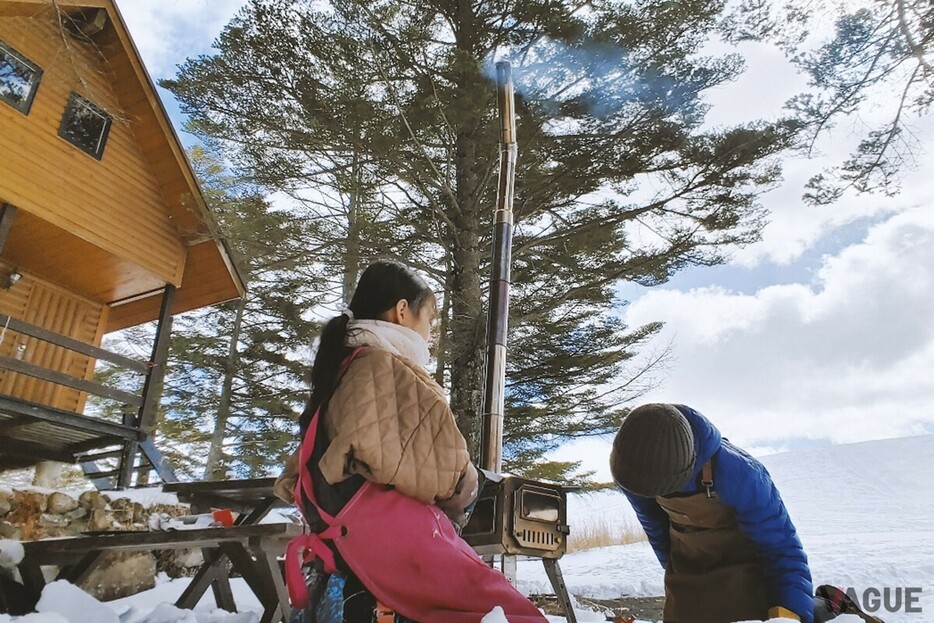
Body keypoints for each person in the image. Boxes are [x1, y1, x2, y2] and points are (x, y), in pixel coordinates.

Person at [276, 260, 547, 623]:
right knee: (510, 614)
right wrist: (469, 483)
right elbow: (445, 474)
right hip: (393, 552)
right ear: (402, 311)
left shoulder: (341, 369)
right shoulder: (383, 369)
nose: (431, 333)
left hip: (344, 550)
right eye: (430, 319)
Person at [609, 403, 814, 623]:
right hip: (685, 583)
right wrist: (676, 578)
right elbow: (657, 532)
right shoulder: (631, 466)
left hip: (745, 584)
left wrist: (787, 615)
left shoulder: (741, 474)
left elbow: (782, 550)